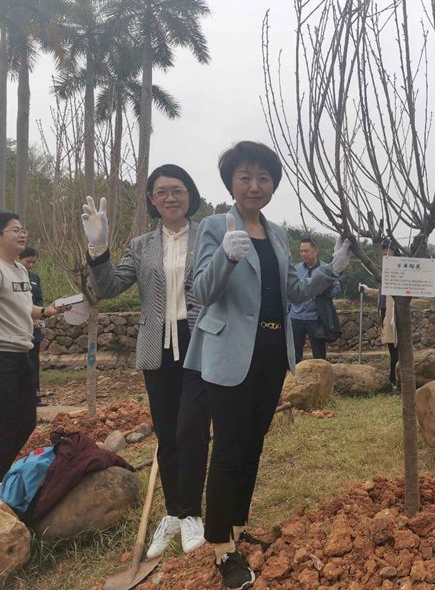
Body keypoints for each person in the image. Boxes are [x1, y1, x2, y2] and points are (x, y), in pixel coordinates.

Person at [183, 141, 351, 590]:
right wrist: (227, 256)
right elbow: (201, 292)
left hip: (274, 350)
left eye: (263, 178)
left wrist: (330, 270)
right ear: (231, 183)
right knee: (230, 447)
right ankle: (221, 547)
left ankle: (237, 526)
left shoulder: (277, 234)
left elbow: (295, 294)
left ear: (274, 184)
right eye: (245, 177)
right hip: (231, 352)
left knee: (253, 444)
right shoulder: (215, 228)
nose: (254, 185)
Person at [81, 164, 210, 559]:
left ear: (190, 194)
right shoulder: (140, 246)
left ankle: (193, 515)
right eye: (161, 191)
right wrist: (98, 250)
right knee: (167, 433)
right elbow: (107, 288)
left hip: (199, 342)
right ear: (152, 200)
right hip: (157, 346)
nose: (170, 196)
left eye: (178, 189)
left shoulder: (209, 236)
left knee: (193, 430)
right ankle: (174, 513)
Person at [0, 213, 69, 479]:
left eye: (23, 229)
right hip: (3, 354)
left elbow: (29, 309)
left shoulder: (19, 269)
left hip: (23, 353)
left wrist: (49, 310)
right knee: (6, 421)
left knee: (26, 421)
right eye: (15, 230)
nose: (22, 234)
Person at [289, 237, 341, 361]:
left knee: (319, 354)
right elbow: (289, 292)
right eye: (301, 251)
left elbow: (336, 290)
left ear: (315, 251)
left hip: (316, 318)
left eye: (306, 251)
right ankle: (295, 379)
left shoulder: (326, 270)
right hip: (296, 317)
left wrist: (322, 290)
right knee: (294, 354)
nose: (303, 254)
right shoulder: (296, 269)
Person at [357, 239, 399, 388]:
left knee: (397, 348)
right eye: (384, 253)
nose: (386, 255)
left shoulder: (398, 272)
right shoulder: (382, 274)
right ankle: (393, 378)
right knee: (391, 346)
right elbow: (382, 294)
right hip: (384, 312)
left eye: (389, 252)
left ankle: (395, 378)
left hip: (395, 313)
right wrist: (368, 291)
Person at [19, 247, 46, 406]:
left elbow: (39, 299)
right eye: (28, 261)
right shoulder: (12, 276)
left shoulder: (35, 278)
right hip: (20, 328)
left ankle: (35, 395)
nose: (30, 265)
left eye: (33, 262)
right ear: (19, 259)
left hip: (35, 328)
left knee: (34, 363)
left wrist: (39, 316)